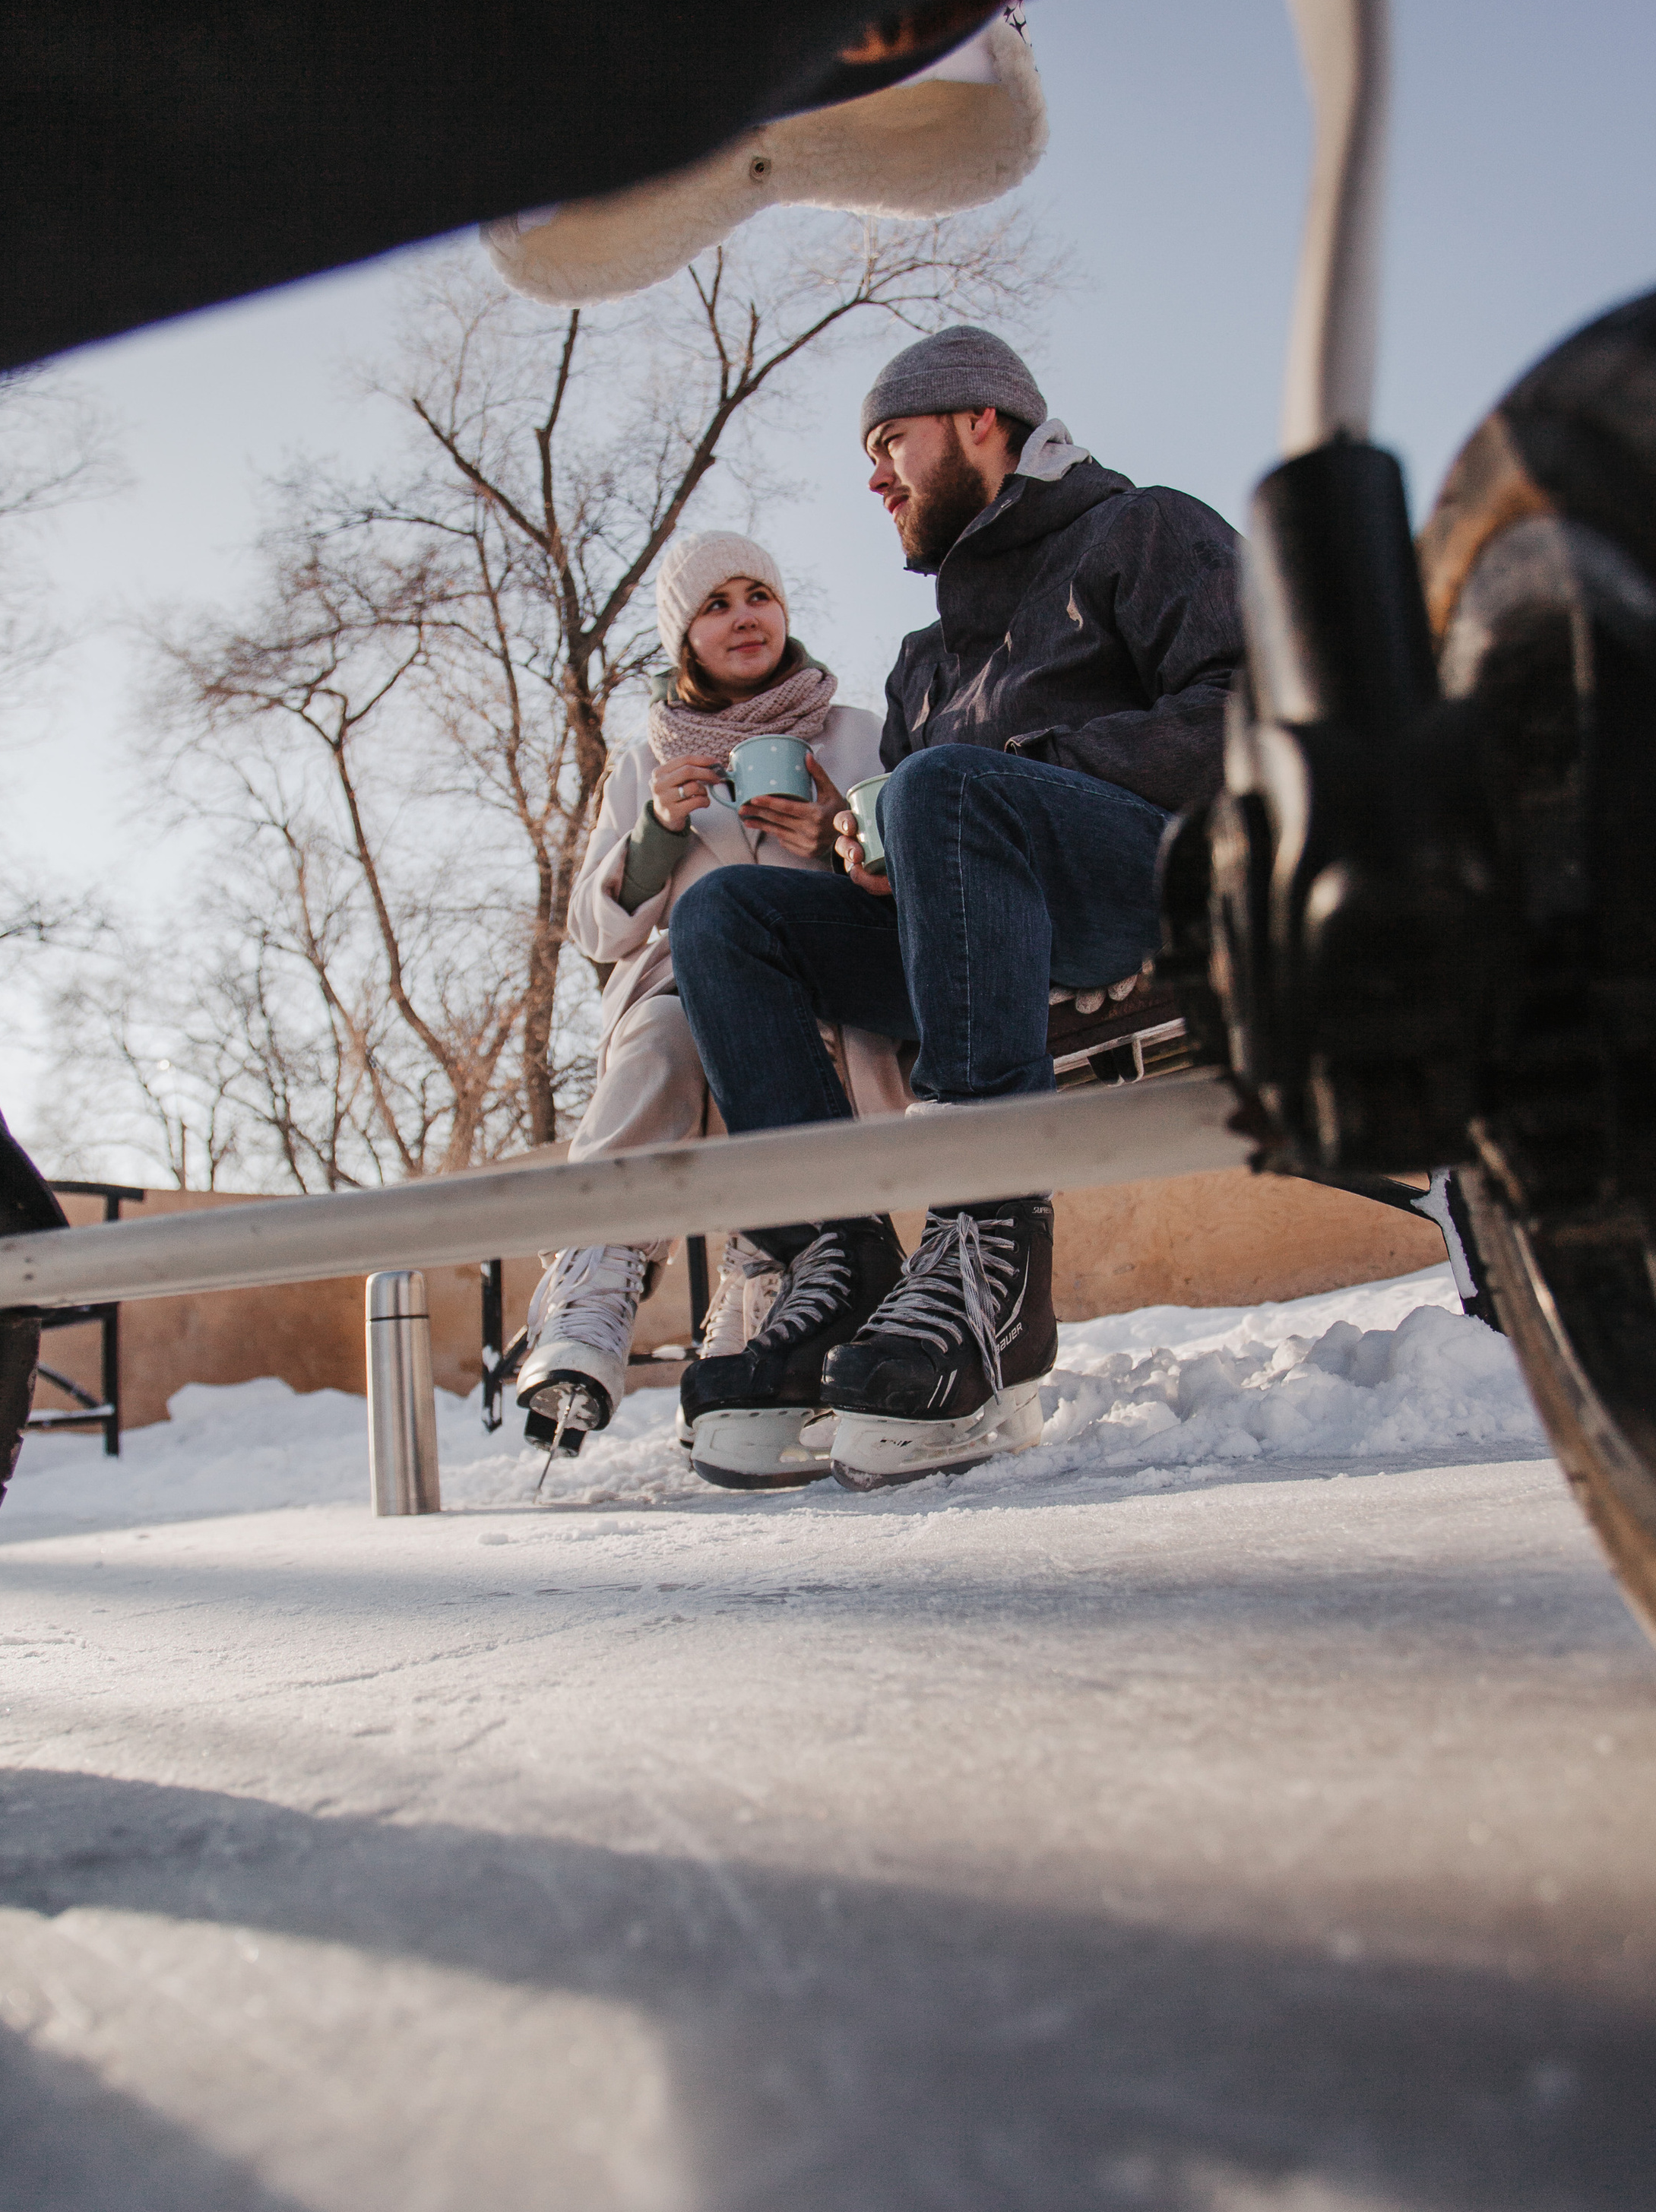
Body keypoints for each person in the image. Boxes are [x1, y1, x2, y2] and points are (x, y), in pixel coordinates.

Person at [670, 325, 1243, 1491]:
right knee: (729, 916)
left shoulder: (1145, 529)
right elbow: (926, 822)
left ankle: (990, 1259)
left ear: (984, 420)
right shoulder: (925, 656)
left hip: (1142, 890)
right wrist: (864, 849)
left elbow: (1250, 708)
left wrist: (995, 783)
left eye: (891, 442)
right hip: (976, 941)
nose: (874, 477)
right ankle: (834, 1260)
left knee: (942, 787)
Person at [515, 530, 899, 1460]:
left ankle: (764, 1269)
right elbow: (597, 931)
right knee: (661, 1036)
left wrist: (831, 841)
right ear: (683, 636)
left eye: (756, 595)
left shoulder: (855, 733)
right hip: (683, 992)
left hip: (827, 985)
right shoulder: (644, 761)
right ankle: (599, 1280)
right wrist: (656, 832)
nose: (743, 618)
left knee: (749, 1032)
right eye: (715, 605)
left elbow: (910, 875)